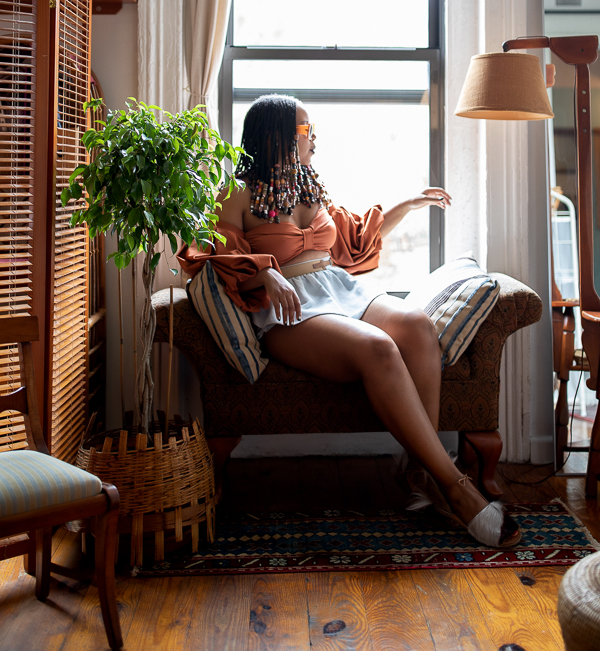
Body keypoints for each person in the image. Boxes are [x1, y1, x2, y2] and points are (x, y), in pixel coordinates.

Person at [178, 94, 520, 548]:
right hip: (290, 312)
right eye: (305, 130)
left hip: (341, 289)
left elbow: (356, 237)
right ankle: (456, 490)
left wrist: (409, 204)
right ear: (276, 134)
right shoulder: (237, 193)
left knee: (417, 327)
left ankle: (419, 474)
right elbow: (209, 248)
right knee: (377, 347)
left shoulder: (309, 189)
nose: (313, 138)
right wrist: (265, 272)